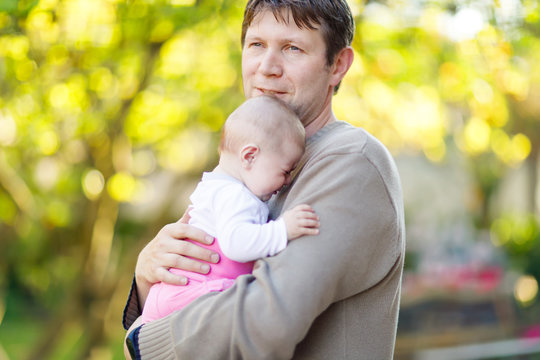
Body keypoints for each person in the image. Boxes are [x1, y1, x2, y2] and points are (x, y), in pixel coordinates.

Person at [124, 0, 405, 359]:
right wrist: (148, 275)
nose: (267, 67)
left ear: (337, 65)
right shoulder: (253, 164)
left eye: (292, 48)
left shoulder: (350, 162)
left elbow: (265, 317)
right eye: (256, 44)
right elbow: (201, 275)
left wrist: (143, 342)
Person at [141, 95, 320, 323]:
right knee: (241, 304)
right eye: (285, 171)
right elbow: (237, 244)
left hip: (173, 296)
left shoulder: (217, 186)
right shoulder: (235, 196)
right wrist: (283, 229)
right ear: (249, 156)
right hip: (190, 294)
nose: (286, 182)